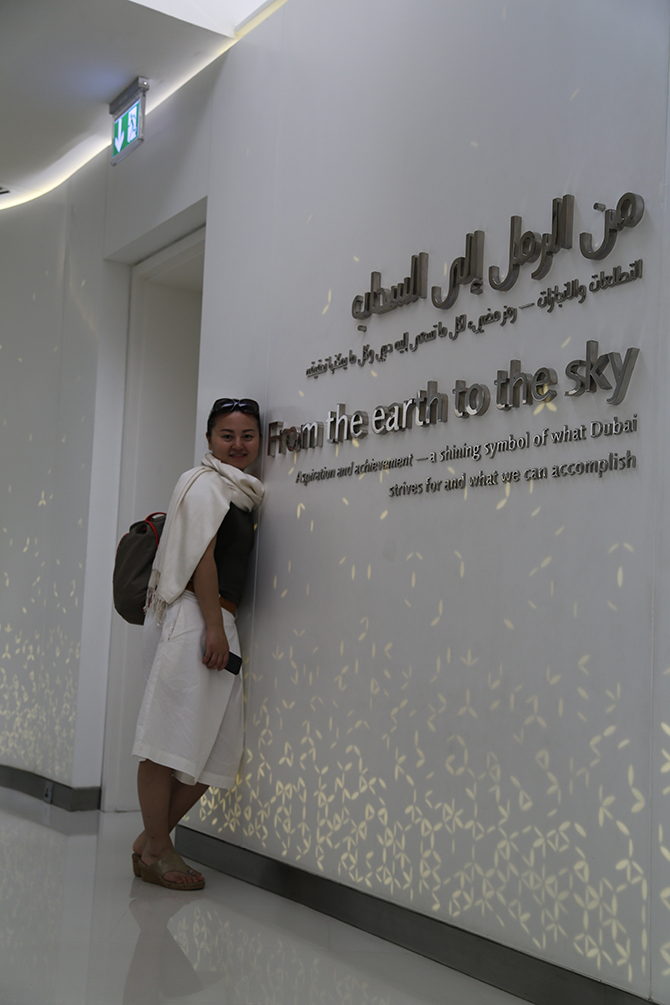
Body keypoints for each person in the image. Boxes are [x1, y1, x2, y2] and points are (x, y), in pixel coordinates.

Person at [131, 398, 264, 890]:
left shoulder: (241, 492)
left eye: (247, 435)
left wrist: (219, 625)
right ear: (209, 439)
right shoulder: (204, 484)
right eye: (227, 435)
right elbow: (201, 560)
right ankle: (158, 850)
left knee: (220, 750)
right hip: (195, 617)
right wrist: (212, 626)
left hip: (217, 619)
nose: (237, 444)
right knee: (164, 742)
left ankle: (150, 841)